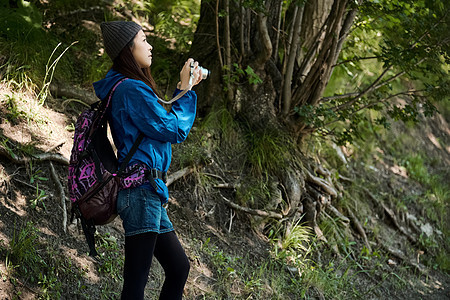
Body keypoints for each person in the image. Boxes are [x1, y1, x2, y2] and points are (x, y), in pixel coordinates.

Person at [93, 20, 202, 299]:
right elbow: (174, 129)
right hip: (140, 193)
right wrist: (186, 91)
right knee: (136, 282)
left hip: (147, 192)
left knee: (178, 267)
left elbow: (162, 124)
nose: (150, 45)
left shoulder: (126, 86)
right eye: (143, 40)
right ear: (128, 50)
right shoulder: (130, 89)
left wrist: (183, 88)